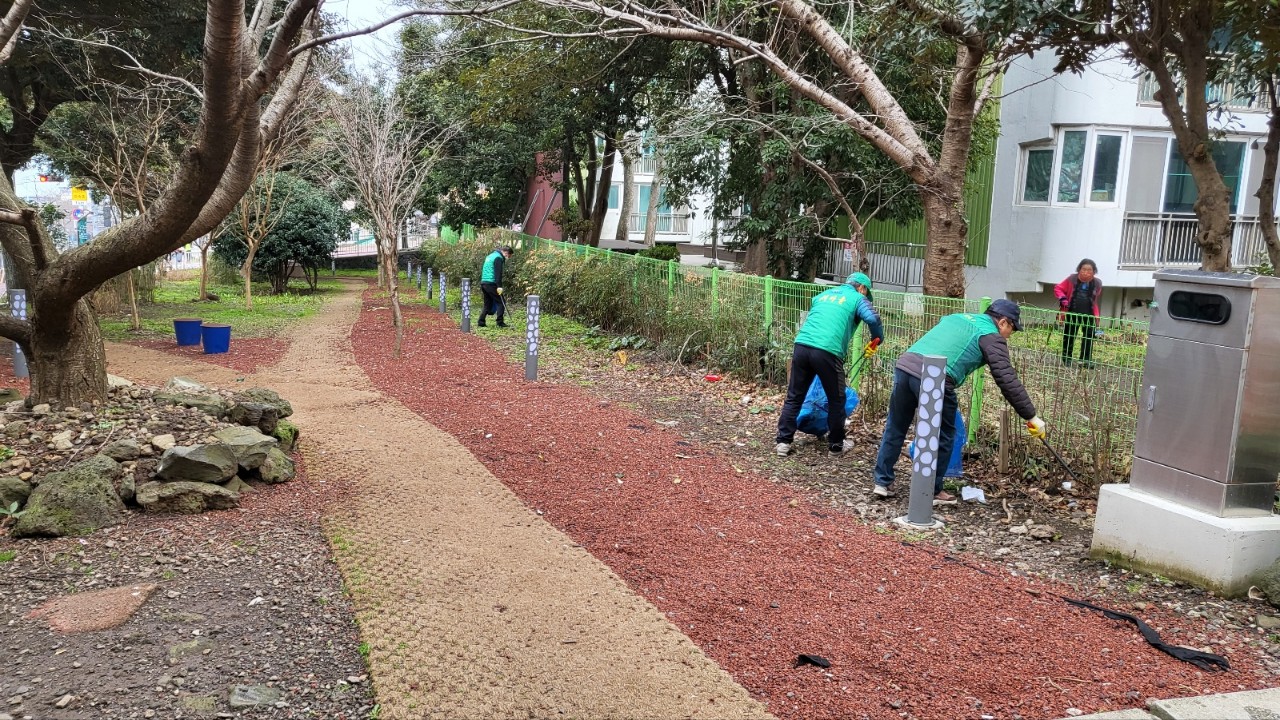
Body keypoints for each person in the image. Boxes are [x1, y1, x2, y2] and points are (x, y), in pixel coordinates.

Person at [871, 299, 1044, 504]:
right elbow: (1006, 378)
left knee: (896, 426)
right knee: (945, 433)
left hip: (905, 366)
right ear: (1003, 322)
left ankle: (882, 482)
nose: (1009, 336)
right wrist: (1031, 416)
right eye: (1012, 330)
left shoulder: (957, 317)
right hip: (936, 377)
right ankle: (932, 491)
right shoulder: (991, 336)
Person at [776, 272, 884, 459]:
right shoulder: (858, 298)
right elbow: (873, 319)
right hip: (827, 351)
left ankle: (783, 443)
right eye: (866, 293)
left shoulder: (822, 295)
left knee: (794, 395)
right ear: (862, 288)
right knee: (836, 399)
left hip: (802, 346)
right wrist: (878, 338)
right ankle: (835, 446)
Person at [1054, 259, 1103, 367]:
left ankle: (1085, 360)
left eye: (1089, 270)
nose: (1086, 272)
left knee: (1088, 336)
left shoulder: (1098, 283)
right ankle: (1067, 358)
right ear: (1079, 270)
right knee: (1070, 335)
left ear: (1094, 271)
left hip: (1089, 313)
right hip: (1072, 312)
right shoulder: (1072, 279)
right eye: (1083, 269)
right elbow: (1058, 288)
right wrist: (1063, 299)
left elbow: (1095, 298)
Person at [478, 245, 512, 328]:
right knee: (501, 302)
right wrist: (499, 286)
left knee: (487, 303)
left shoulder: (490, 256)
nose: (509, 257)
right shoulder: (498, 258)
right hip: (491, 283)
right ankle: (500, 322)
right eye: (509, 255)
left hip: (484, 282)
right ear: (506, 253)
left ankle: (481, 322)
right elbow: (498, 274)